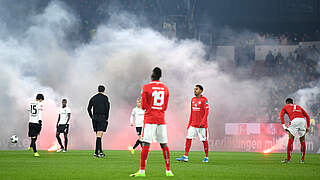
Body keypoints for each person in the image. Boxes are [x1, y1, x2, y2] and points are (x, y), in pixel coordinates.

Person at [130, 67, 174, 177]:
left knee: (145, 145)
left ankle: (142, 171)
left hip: (149, 119)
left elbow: (143, 106)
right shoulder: (166, 88)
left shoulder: (146, 87)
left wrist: (150, 109)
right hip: (161, 119)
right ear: (160, 76)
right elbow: (165, 107)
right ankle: (168, 171)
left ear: (152, 75)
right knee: (164, 144)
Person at [176, 85, 210, 162]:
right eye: (194, 89)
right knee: (188, 138)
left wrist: (203, 122)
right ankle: (185, 156)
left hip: (202, 126)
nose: (195, 90)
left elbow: (207, 112)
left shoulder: (204, 100)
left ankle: (206, 157)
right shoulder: (193, 99)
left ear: (201, 91)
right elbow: (192, 113)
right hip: (193, 125)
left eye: (196, 89)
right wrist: (189, 124)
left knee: (204, 141)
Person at [280, 98, 310, 163]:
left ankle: (288, 159)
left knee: (291, 139)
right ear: (292, 102)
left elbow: (281, 116)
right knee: (302, 140)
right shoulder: (298, 106)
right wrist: (308, 127)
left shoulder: (285, 106)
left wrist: (284, 126)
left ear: (286, 102)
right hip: (302, 121)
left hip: (295, 120)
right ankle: (302, 160)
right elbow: (307, 116)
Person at [87, 85, 110, 158]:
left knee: (97, 135)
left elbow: (88, 108)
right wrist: (106, 117)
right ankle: (96, 153)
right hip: (102, 117)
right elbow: (107, 108)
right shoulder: (105, 98)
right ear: (104, 90)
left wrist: (92, 116)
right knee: (99, 136)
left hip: (95, 118)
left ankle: (100, 152)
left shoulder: (93, 98)